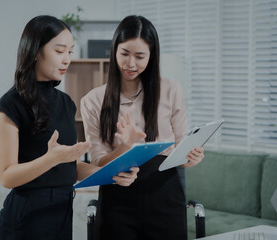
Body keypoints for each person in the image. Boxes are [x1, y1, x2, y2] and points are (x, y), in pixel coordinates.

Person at [0, 15, 139, 240]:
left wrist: (113, 174)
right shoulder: (10, 104)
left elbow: (72, 165)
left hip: (61, 212)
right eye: (60, 51)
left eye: (70, 52)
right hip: (26, 217)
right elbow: (7, 176)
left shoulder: (66, 103)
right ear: (34, 52)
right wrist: (52, 158)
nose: (67, 59)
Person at [80, 15, 205, 240]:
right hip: (117, 199)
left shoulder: (170, 90)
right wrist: (124, 147)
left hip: (165, 197)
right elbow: (98, 160)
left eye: (140, 56)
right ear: (114, 50)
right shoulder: (93, 100)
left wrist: (191, 157)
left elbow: (180, 147)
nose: (131, 64)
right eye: (125, 54)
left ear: (151, 55)